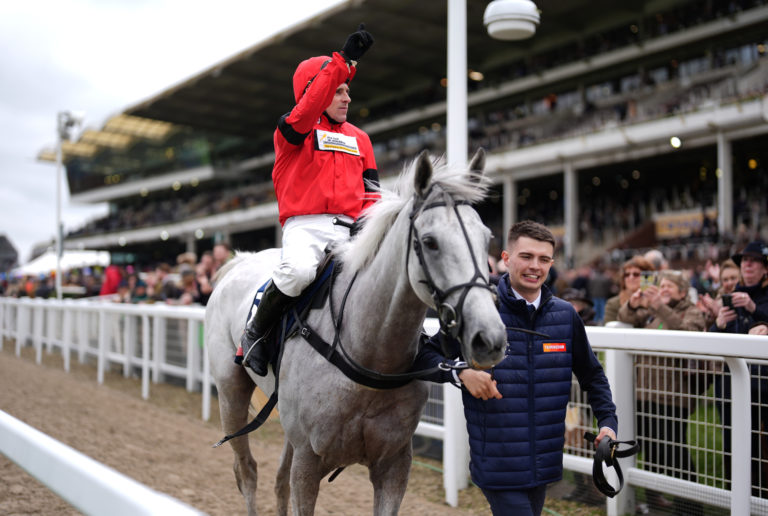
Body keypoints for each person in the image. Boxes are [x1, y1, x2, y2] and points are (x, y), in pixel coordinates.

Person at [413, 220, 618, 516]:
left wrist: (608, 423)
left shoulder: (565, 315)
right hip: (497, 465)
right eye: (526, 256)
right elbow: (423, 357)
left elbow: (592, 375)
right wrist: (462, 373)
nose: (535, 266)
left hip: (544, 464)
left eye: (544, 259)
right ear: (507, 259)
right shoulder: (476, 309)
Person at [239, 24, 378, 376]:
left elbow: (372, 193)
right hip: (306, 228)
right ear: (316, 92)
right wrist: (342, 61)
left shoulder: (360, 138)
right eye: (339, 91)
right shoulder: (292, 129)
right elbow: (307, 107)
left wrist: (368, 226)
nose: (348, 98)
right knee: (299, 272)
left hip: (352, 230)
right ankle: (255, 331)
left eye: (348, 91)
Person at [709, 241, 768, 497]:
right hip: (731, 385)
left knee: (763, 446)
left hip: (764, 386)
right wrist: (719, 324)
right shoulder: (732, 295)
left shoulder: (759, 298)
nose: (748, 265)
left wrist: (755, 310)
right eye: (744, 260)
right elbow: (713, 341)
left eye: (754, 261)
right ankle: (737, 498)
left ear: (765, 268)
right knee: (734, 442)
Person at [603, 256, 655, 324]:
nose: (631, 277)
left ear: (647, 277)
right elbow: (609, 330)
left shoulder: (657, 301)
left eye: (636, 274)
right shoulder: (613, 303)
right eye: (627, 275)